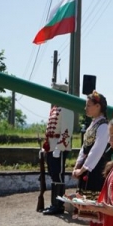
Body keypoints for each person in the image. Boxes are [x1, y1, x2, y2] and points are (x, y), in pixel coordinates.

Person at [72, 90, 112, 226]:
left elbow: (97, 151)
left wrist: (83, 168)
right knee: (91, 212)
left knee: (96, 211)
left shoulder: (103, 126)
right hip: (89, 170)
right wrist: (78, 164)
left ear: (98, 106)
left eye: (89, 105)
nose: (86, 108)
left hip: (97, 172)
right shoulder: (93, 124)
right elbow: (85, 148)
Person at [41, 81, 75, 215]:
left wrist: (59, 147)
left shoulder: (66, 108)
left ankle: (58, 205)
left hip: (59, 147)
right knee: (53, 175)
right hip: (52, 146)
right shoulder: (56, 108)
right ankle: (54, 203)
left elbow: (67, 131)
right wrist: (47, 145)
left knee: (58, 175)